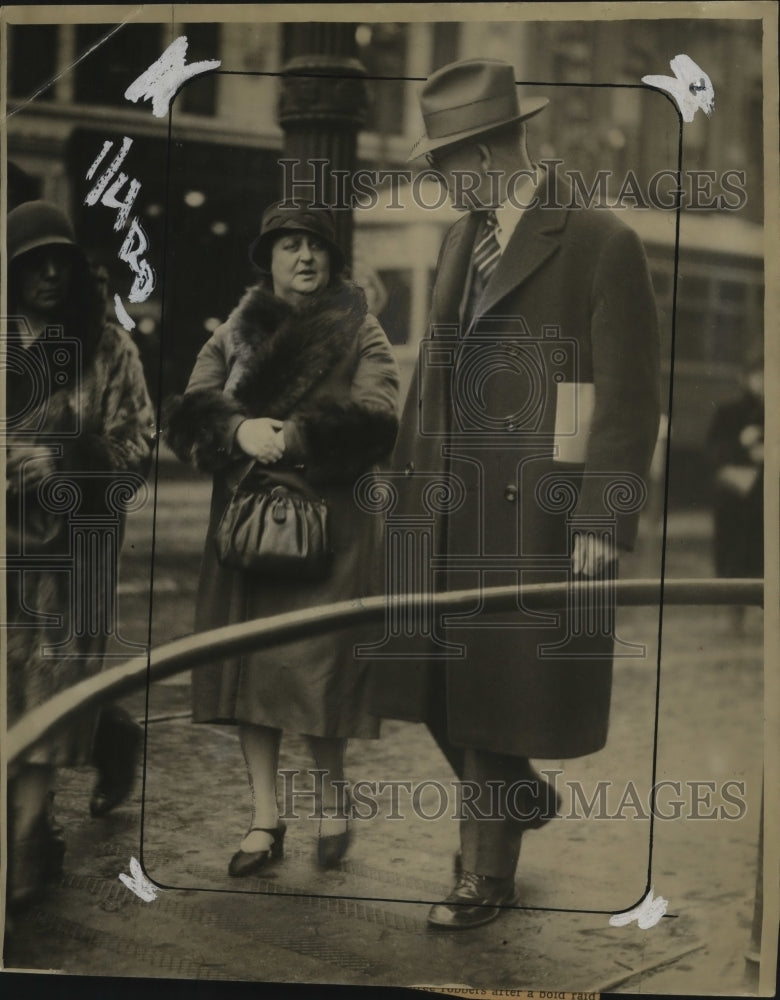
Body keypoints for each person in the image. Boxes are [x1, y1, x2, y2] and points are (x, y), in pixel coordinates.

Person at [369, 59, 661, 928]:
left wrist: (602, 518)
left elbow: (629, 395)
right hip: (445, 511)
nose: (442, 181)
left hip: (532, 517)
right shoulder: (465, 235)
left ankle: (481, 876)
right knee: (431, 687)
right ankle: (519, 798)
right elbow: (434, 377)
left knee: (495, 694)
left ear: (489, 152)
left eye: (447, 164)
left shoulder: (601, 241)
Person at [164, 203, 400, 875]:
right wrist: (235, 432)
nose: (305, 257)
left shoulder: (361, 330)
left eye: (317, 247)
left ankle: (331, 798)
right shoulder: (236, 332)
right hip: (246, 526)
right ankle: (265, 818)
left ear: (333, 261)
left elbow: (379, 417)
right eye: (290, 245)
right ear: (267, 258)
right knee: (248, 674)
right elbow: (190, 407)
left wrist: (294, 437)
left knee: (317, 672)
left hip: (328, 533)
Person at [5, 201, 156, 909]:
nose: (50, 273)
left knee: (48, 693)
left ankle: (30, 839)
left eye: (60, 260)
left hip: (76, 557)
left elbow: (137, 445)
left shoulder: (107, 349)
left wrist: (68, 464)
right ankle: (111, 735)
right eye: (33, 261)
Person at [706, 354, 763, 632]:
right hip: (735, 499)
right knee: (734, 557)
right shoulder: (729, 412)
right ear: (746, 379)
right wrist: (742, 445)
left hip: (764, 500)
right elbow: (714, 452)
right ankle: (735, 616)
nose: (764, 384)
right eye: (758, 376)